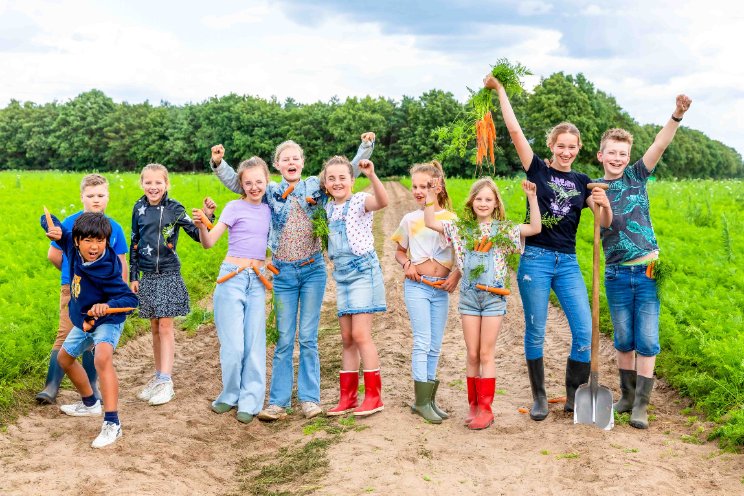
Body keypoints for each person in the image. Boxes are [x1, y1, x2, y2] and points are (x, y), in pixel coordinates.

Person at [210, 133, 375, 420]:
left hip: (313, 270)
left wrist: (365, 147)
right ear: (277, 164)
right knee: (285, 338)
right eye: (285, 159)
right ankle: (278, 402)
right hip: (283, 272)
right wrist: (219, 163)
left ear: (302, 162)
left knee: (308, 337)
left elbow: (345, 172)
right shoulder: (271, 191)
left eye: (295, 158)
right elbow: (241, 182)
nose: (291, 162)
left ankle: (310, 400)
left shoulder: (315, 184)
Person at [484, 74, 612, 421]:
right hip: (536, 259)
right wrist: (501, 91)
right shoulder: (537, 169)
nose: (566, 151)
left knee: (584, 330)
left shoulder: (584, 182)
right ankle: (540, 397)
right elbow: (513, 132)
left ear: (579, 148)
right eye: (561, 145)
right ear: (552, 146)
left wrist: (600, 200)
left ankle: (574, 397)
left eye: (572, 146)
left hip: (567, 262)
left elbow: (603, 224)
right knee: (537, 328)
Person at [596, 95, 692, 429]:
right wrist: (599, 201)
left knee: (647, 339)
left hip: (648, 270)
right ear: (601, 155)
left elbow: (660, 144)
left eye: (623, 153)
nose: (618, 158)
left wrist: (676, 115)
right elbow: (605, 225)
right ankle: (626, 394)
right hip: (616, 273)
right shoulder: (595, 189)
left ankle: (641, 404)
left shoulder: (637, 175)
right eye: (612, 152)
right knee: (623, 337)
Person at [424, 177, 541, 429]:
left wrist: (532, 198)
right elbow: (430, 221)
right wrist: (431, 196)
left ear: (496, 203)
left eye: (489, 199)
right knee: (472, 353)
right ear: (471, 201)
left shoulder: (503, 229)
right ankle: (474, 405)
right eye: (479, 198)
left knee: (486, 353)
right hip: (468, 297)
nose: (483, 203)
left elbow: (534, 229)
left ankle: (486, 410)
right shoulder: (460, 228)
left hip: (493, 297)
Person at [40, 212, 138, 448]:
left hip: (108, 320)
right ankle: (90, 403)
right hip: (84, 318)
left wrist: (108, 305)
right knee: (64, 359)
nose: (94, 247)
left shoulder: (107, 269)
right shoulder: (71, 245)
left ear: (106, 241)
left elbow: (130, 300)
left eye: (100, 241)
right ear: (76, 241)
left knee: (102, 358)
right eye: (88, 241)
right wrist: (49, 224)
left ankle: (112, 423)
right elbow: (55, 226)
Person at [36, 174, 128, 405]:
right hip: (73, 289)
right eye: (90, 196)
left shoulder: (114, 228)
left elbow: (121, 262)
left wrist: (121, 293)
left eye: (100, 195)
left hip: (103, 293)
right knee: (65, 333)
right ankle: (51, 385)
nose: (96, 200)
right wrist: (75, 275)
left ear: (108, 197)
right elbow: (54, 254)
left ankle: (91, 389)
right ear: (82, 197)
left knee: (94, 337)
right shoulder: (70, 223)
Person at [193, 157, 271, 424]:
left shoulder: (270, 209)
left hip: (258, 281)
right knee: (234, 346)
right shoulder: (233, 207)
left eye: (259, 181)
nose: (254, 187)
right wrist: (203, 224)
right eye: (248, 182)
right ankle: (229, 394)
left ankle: (251, 400)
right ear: (241, 183)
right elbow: (209, 242)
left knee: (254, 344)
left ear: (267, 182)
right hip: (231, 278)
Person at [130, 163, 215, 406]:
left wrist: (207, 217)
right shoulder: (138, 208)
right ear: (142, 184)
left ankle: (167, 382)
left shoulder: (175, 208)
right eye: (148, 182)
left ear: (167, 184)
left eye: (159, 182)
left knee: (166, 326)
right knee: (155, 327)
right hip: (147, 276)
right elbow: (134, 242)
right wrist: (133, 276)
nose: (153, 187)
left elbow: (199, 235)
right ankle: (158, 377)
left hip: (168, 274)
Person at [391, 160, 461, 424]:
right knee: (422, 341)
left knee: (435, 345)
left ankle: (430, 398)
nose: (419, 191)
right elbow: (399, 252)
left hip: (439, 289)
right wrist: (407, 264)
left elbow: (460, 255)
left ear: (438, 187)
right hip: (418, 286)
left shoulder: (451, 220)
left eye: (425, 186)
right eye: (415, 186)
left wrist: (456, 273)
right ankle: (420, 402)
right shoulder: (410, 219)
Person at [321, 157, 388, 417]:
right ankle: (347, 397)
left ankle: (374, 396)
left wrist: (372, 175)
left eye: (342, 178)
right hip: (342, 276)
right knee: (347, 339)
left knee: (361, 335)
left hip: (362, 272)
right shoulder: (327, 208)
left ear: (351, 180)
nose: (337, 182)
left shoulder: (360, 201)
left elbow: (382, 202)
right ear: (325, 184)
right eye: (331, 178)